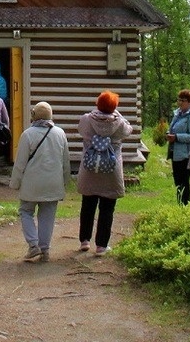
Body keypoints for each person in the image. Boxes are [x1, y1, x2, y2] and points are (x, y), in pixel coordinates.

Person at [9, 102, 69, 263]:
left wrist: (15, 183)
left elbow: (20, 163)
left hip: (31, 183)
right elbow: (65, 161)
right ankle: (45, 249)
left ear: (34, 115)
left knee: (26, 211)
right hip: (53, 183)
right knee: (47, 216)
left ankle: (33, 244)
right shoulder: (60, 133)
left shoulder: (27, 134)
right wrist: (65, 181)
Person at [76, 90, 132, 256]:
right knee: (107, 208)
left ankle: (84, 241)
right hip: (111, 170)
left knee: (87, 205)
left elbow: (80, 130)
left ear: (97, 104)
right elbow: (129, 130)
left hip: (90, 168)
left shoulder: (87, 120)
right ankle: (101, 245)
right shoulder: (120, 123)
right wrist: (118, 114)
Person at [165, 89, 190, 205]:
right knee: (178, 182)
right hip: (176, 153)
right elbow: (174, 129)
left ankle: (186, 205)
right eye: (179, 100)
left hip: (186, 154)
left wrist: (176, 137)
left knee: (184, 182)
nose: (180, 103)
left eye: (183, 100)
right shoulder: (177, 115)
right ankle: (181, 204)